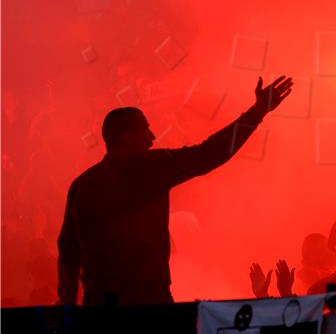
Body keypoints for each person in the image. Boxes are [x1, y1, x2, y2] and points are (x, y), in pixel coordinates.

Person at [57, 75, 294, 306]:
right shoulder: (152, 167)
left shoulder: (82, 185)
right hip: (148, 300)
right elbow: (210, 152)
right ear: (127, 137)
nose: (152, 137)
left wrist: (66, 301)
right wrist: (257, 113)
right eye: (145, 130)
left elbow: (68, 248)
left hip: (99, 304)